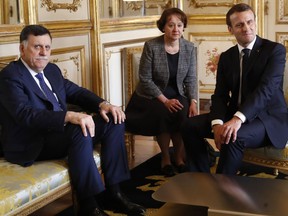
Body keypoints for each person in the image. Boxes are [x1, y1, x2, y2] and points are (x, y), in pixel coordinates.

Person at [0, 25, 146, 216]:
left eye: (47, 47)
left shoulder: (51, 70)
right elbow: (24, 114)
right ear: (22, 48)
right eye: (37, 47)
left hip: (58, 134)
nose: (44, 53)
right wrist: (68, 116)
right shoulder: (10, 76)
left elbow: (76, 92)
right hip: (31, 141)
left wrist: (103, 104)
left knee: (113, 120)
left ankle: (114, 193)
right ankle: (88, 204)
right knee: (79, 129)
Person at [181, 3, 288, 174]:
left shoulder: (274, 51)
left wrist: (237, 119)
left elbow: (265, 91)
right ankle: (200, 179)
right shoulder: (227, 57)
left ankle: (221, 191)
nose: (246, 28)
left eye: (250, 22)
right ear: (230, 29)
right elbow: (220, 95)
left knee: (232, 136)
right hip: (234, 114)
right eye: (239, 25)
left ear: (255, 22)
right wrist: (216, 123)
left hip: (267, 119)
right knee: (189, 125)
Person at [125, 8, 198, 177]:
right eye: (171, 25)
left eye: (179, 25)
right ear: (163, 27)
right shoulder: (151, 46)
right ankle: (165, 158)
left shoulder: (189, 48)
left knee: (183, 112)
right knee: (163, 112)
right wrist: (165, 100)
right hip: (152, 94)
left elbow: (191, 78)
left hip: (177, 90)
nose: (176, 29)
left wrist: (194, 101)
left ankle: (178, 157)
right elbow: (145, 79)